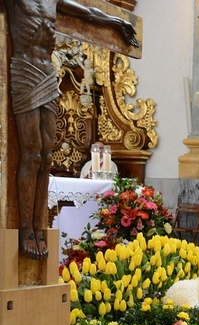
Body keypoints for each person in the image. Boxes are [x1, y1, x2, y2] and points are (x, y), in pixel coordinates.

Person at [5, 0, 139, 260]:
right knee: (31, 155)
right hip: (24, 70)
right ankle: (25, 231)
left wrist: (118, 22)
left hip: (47, 73)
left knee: (45, 158)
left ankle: (39, 227)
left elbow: (88, 13)